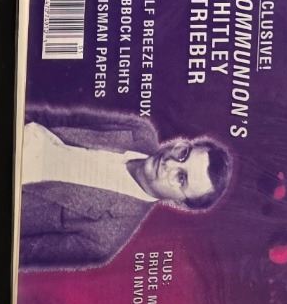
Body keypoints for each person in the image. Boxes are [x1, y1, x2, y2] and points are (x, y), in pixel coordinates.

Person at [19, 108, 233, 271]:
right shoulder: (139, 130)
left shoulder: (103, 240)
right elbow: (61, 118)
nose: (169, 163)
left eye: (181, 178)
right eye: (183, 154)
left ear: (179, 204)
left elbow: (19, 252)